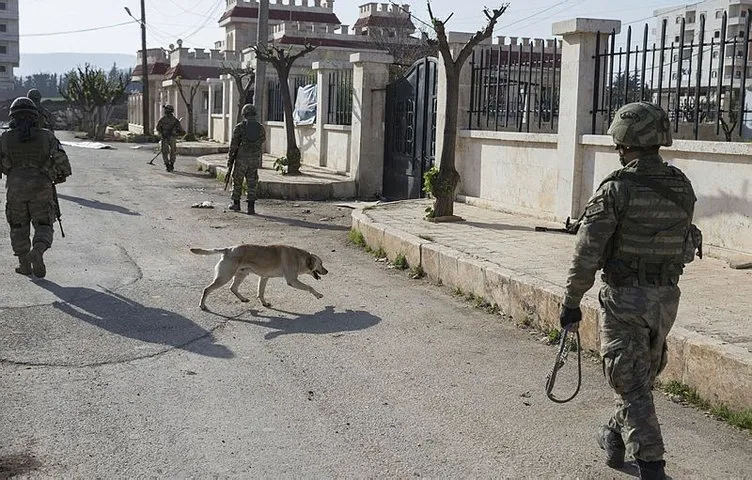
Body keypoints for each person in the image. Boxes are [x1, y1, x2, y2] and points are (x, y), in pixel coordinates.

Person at [560, 102, 699, 480]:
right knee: (638, 380)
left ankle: (651, 464)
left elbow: (587, 253)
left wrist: (571, 302)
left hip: (626, 299)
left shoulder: (617, 189)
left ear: (625, 142)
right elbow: (686, 246)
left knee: (630, 382)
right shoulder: (681, 186)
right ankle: (613, 437)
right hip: (666, 299)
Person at [0, 97, 72, 278]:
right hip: (41, 187)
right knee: (44, 224)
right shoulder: (47, 136)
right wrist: (54, 175)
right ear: (34, 116)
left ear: (13, 117)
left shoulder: (5, 138)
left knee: (18, 226)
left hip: (15, 189)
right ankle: (38, 251)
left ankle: (24, 265)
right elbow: (63, 163)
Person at [227, 104, 266, 215]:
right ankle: (251, 207)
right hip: (254, 159)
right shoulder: (260, 127)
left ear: (244, 114)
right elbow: (262, 140)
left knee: (237, 181)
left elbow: (233, 144)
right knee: (252, 182)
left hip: (241, 159)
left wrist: (230, 158)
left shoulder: (239, 127)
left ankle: (236, 204)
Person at [155, 104, 185, 172]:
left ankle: (168, 164)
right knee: (172, 151)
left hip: (166, 137)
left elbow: (158, 128)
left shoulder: (163, 119)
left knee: (166, 152)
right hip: (171, 137)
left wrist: (163, 133)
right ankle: (171, 164)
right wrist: (176, 133)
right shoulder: (175, 120)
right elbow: (181, 130)